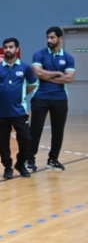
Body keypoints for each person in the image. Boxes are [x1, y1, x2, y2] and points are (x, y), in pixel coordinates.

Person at [28, 26, 77, 171]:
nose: (49, 40)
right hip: (40, 97)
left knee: (58, 130)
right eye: (47, 37)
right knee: (35, 130)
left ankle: (53, 159)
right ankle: (30, 160)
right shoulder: (39, 55)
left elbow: (69, 78)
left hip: (60, 98)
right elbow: (38, 73)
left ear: (60, 38)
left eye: (52, 37)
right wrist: (57, 74)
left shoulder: (68, 58)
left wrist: (48, 76)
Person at [0, 37, 37, 179]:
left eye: (11, 47)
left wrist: (22, 95)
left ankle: (21, 163)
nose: (8, 50)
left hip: (19, 112)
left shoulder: (25, 67)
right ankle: (7, 167)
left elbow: (33, 84)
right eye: (5, 47)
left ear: (17, 49)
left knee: (26, 139)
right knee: (2, 142)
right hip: (1, 112)